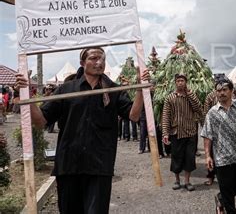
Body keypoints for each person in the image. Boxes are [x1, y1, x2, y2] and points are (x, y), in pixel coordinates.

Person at [14, 47, 149, 214]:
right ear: (82, 63)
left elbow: (134, 116)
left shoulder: (113, 90)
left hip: (100, 166)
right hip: (68, 165)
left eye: (102, 59)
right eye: (93, 58)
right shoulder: (66, 90)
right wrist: (26, 94)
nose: (99, 62)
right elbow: (41, 121)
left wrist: (140, 89)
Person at [201, 77, 236, 214]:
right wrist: (207, 156)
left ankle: (221, 199)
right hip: (222, 159)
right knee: (228, 191)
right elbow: (207, 135)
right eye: (218, 90)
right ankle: (227, 205)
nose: (221, 93)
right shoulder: (212, 113)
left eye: (224, 90)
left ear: (231, 91)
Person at [162, 73, 202, 191]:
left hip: (190, 132)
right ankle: (177, 180)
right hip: (176, 133)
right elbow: (166, 116)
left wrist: (190, 94)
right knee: (176, 157)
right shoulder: (170, 98)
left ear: (186, 82)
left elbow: (199, 109)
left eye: (182, 81)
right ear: (175, 83)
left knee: (189, 157)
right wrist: (165, 133)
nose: (180, 83)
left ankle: (187, 181)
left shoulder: (191, 96)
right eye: (178, 80)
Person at [202, 88, 218, 186]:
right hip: (212, 128)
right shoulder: (210, 96)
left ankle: (222, 177)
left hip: (224, 130)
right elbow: (205, 111)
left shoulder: (229, 95)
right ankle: (210, 177)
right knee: (211, 154)